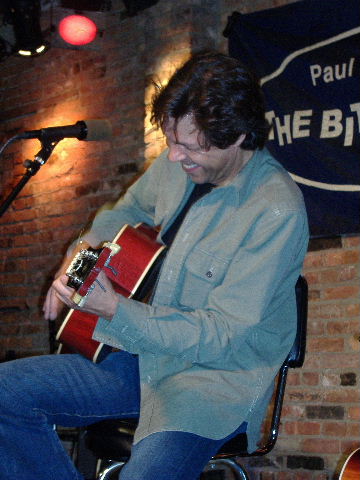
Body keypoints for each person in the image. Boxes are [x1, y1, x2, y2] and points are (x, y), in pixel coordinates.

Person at [0, 51, 309, 480]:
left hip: (209, 383)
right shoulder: (177, 168)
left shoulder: (275, 210)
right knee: (4, 391)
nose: (173, 157)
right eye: (171, 141)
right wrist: (81, 257)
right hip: (135, 357)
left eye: (188, 146)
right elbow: (121, 212)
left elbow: (222, 335)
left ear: (237, 136)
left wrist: (116, 310)